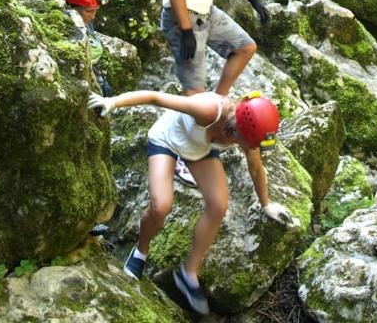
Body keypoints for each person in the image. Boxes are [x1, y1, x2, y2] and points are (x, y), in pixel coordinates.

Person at [87, 89, 298, 314]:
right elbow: (155, 97)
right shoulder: (208, 109)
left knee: (218, 206)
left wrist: (266, 205)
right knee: (161, 206)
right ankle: (140, 252)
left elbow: (256, 169)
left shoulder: (247, 137)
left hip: (199, 152)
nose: (248, 147)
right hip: (168, 139)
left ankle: (189, 273)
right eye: (248, 141)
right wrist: (112, 102)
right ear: (240, 127)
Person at [163, 0, 271, 188]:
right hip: (182, 15)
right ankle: (184, 157)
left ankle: (218, 101)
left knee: (245, 47)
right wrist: (185, 30)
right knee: (194, 94)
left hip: (206, 11)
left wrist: (253, 0)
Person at [65, 0, 113, 97]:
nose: (93, 17)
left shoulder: (85, 21)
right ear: (73, 8)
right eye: (89, 11)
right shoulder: (68, 30)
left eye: (95, 11)